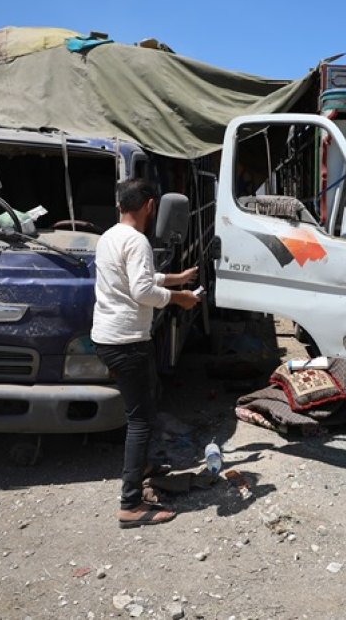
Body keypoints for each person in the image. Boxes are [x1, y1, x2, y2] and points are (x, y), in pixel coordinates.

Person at [92, 179, 199, 529]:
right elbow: (141, 290)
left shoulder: (109, 236)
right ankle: (131, 504)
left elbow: (138, 276)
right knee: (140, 419)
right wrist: (180, 298)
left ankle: (143, 467)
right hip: (127, 340)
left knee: (146, 401)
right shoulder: (137, 241)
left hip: (107, 338)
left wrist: (175, 278)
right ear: (150, 206)